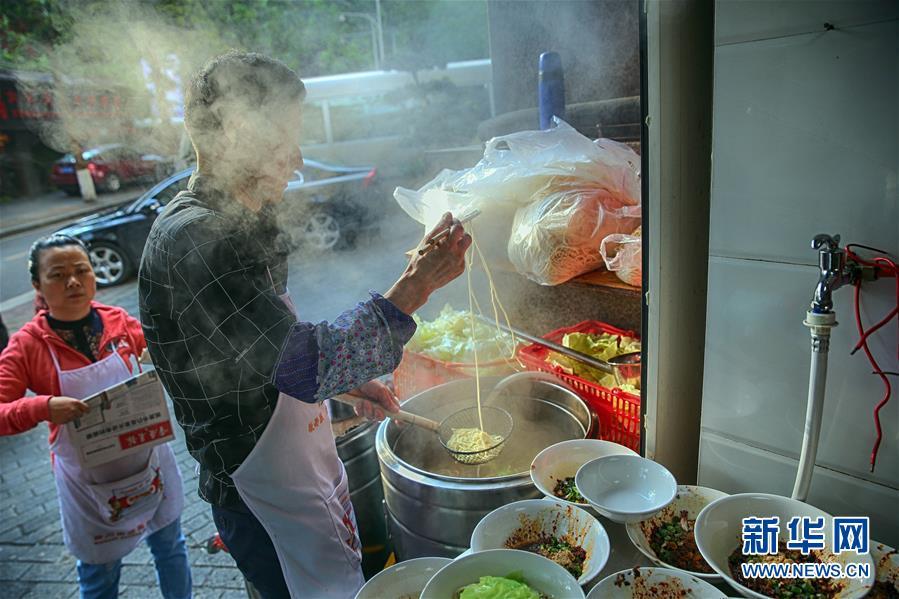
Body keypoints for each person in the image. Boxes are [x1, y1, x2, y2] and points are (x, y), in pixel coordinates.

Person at [138, 51, 471, 599]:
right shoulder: (196, 238)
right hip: (260, 493)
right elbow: (304, 364)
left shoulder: (237, 222)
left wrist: (344, 380)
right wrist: (415, 284)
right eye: (285, 136)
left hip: (293, 465)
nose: (296, 160)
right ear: (240, 131)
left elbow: (266, 348)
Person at [0, 234, 191, 599]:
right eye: (57, 274)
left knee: (170, 548)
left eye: (81, 270)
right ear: (37, 285)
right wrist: (42, 407)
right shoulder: (27, 345)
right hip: (89, 486)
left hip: (149, 462)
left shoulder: (118, 322)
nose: (72, 281)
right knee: (99, 574)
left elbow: (152, 351)